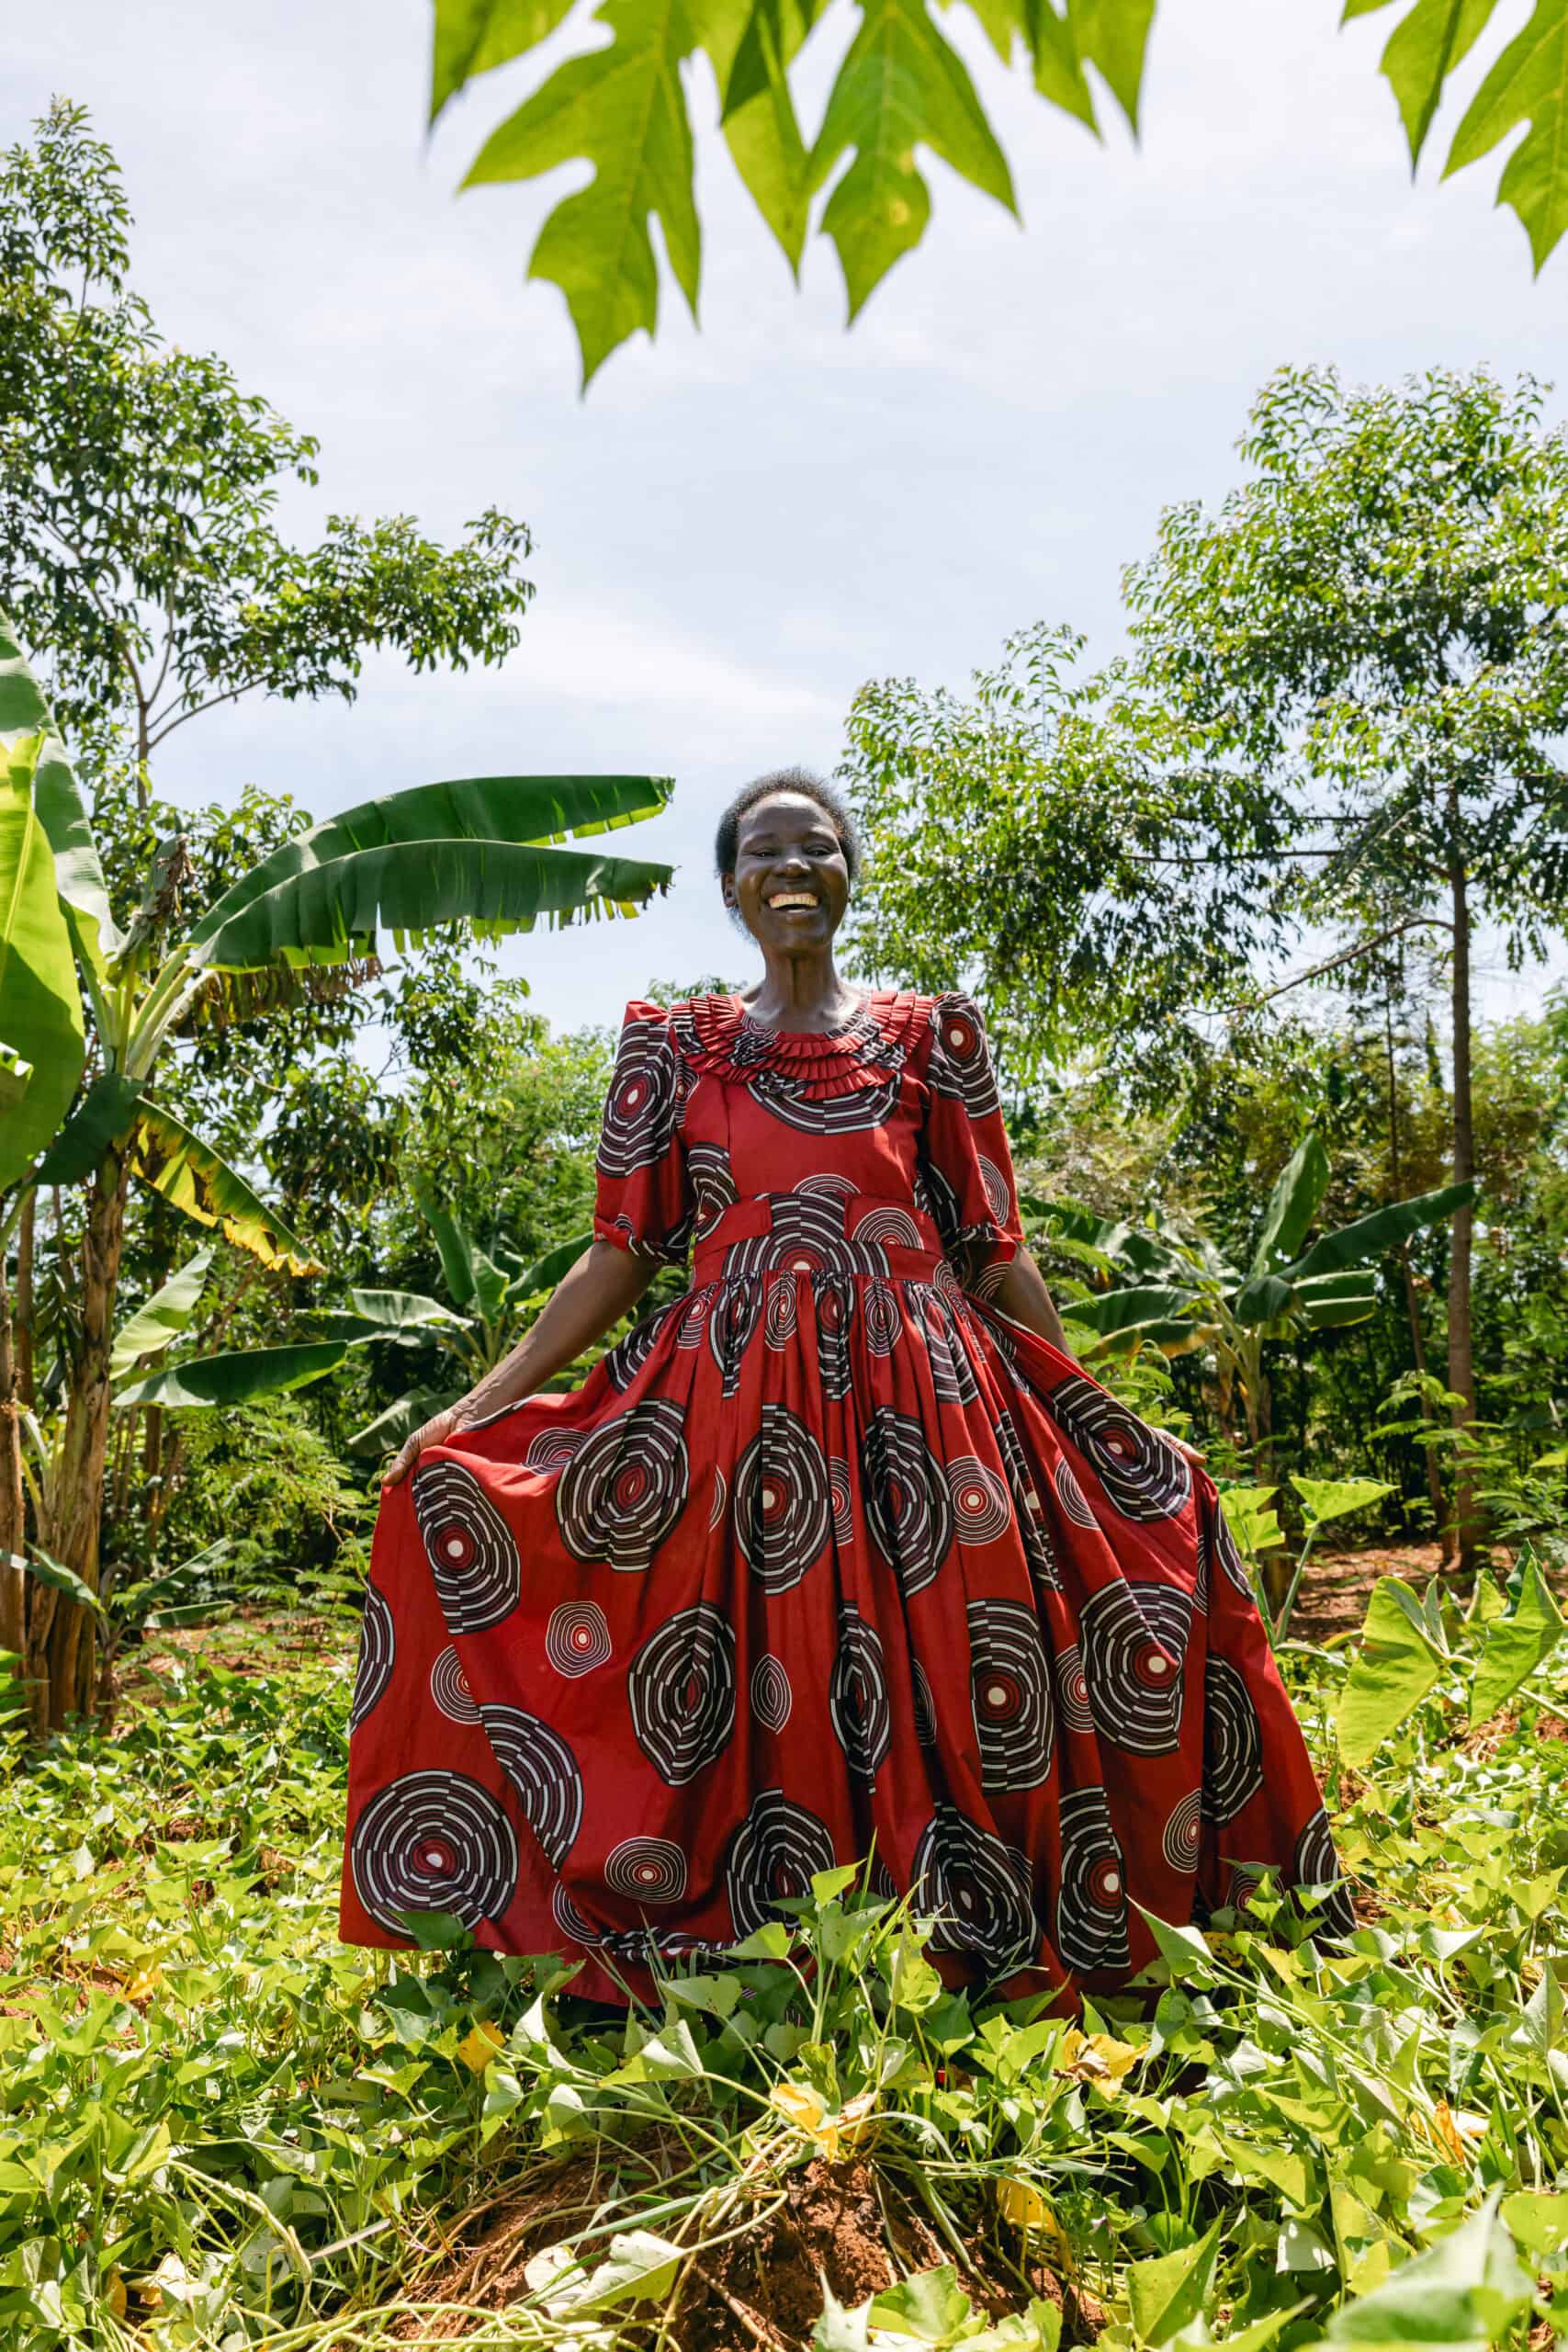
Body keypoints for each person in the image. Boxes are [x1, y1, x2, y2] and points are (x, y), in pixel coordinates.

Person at [340, 767, 1351, 2005]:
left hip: (927, 1406)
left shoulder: (931, 1037)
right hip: (734, 1413)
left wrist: (1090, 1416)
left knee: (972, 1668)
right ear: (730, 888)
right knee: (750, 1670)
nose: (791, 871)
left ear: (846, 873)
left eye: (814, 849)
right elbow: (619, 1254)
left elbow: (994, 1248)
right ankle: (772, 1941)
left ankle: (970, 1929)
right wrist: (482, 1406)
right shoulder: (674, 1047)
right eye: (763, 854)